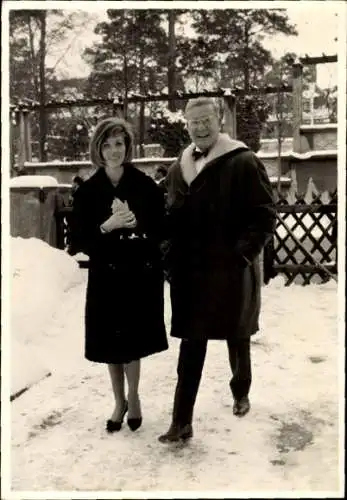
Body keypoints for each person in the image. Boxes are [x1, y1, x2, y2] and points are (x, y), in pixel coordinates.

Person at [158, 97, 276, 443]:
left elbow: (264, 215)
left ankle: (241, 391)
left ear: (219, 119)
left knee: (237, 336)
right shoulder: (178, 169)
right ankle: (181, 422)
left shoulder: (243, 161)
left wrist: (241, 257)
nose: (200, 127)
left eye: (206, 119)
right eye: (193, 122)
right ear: (187, 125)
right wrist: (169, 257)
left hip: (231, 269)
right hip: (192, 272)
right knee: (191, 344)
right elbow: (169, 218)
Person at [71, 117, 168, 433]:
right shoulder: (87, 191)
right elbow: (78, 240)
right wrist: (106, 226)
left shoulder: (144, 186)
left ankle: (135, 397)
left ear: (127, 147)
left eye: (119, 144)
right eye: (107, 144)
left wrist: (136, 225)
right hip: (106, 276)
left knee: (133, 341)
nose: (114, 151)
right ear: (98, 148)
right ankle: (118, 401)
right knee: (109, 341)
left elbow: (161, 230)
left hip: (138, 274)